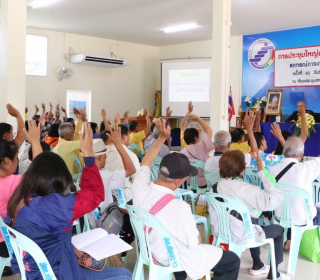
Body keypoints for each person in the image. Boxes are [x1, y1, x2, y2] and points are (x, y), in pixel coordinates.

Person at [5, 123, 131, 280]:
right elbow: (93, 194)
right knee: (124, 275)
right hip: (58, 273)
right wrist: (89, 157)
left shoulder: (20, 199)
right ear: (55, 182)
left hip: (36, 269)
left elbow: (42, 169)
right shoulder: (51, 206)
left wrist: (35, 142)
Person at [132, 118, 240, 280]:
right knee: (232, 260)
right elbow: (194, 243)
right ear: (178, 181)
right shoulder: (179, 207)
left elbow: (146, 163)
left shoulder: (139, 187)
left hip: (150, 250)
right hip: (169, 257)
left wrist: (161, 138)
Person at [212, 150, 284, 280]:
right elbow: (275, 198)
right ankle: (274, 274)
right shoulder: (246, 189)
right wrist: (262, 172)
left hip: (222, 233)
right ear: (242, 168)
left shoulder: (214, 187)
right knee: (278, 229)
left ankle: (258, 264)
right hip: (242, 235)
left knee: (254, 221)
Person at [0, 120, 42, 260]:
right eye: (15, 160)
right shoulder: (8, 183)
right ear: (7, 161)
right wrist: (36, 142)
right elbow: (40, 171)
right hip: (6, 244)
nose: (16, 163)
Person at [269, 136, 320, 251]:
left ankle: (289, 241)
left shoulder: (272, 170)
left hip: (279, 216)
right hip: (304, 218)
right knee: (305, 208)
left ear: (284, 152)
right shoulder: (306, 168)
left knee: (295, 206)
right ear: (302, 154)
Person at [180, 108, 214, 188]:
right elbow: (209, 130)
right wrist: (198, 119)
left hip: (189, 183)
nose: (200, 136)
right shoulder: (202, 146)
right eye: (199, 134)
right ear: (195, 138)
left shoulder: (182, 152)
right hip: (203, 183)